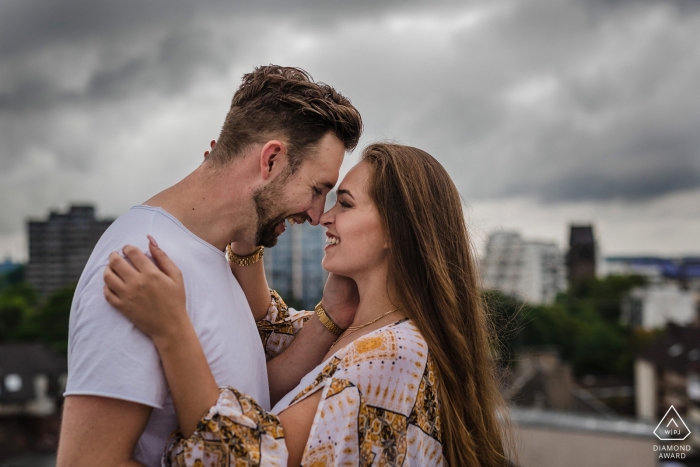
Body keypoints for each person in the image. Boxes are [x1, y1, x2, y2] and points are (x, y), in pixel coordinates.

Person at [104, 143, 515, 466]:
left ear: (397, 231)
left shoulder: (394, 353)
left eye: (346, 204)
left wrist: (172, 330)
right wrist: (250, 214)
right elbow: (265, 333)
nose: (324, 217)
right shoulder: (364, 327)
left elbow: (240, 456)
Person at [57, 65, 363, 467]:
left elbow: (248, 399)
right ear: (270, 160)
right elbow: (88, 462)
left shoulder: (208, 256)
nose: (315, 213)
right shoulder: (142, 262)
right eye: (317, 189)